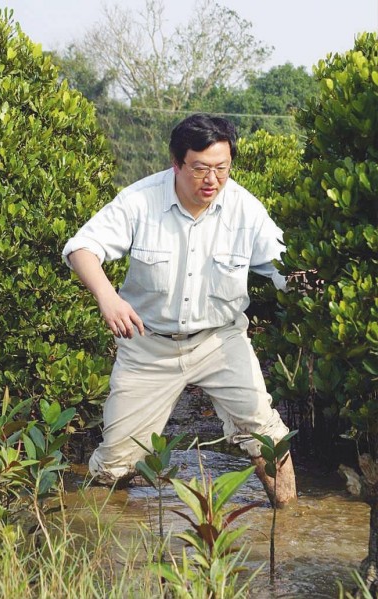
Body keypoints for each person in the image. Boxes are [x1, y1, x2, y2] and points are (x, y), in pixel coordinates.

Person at [62, 113, 297, 507]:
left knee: (269, 439)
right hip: (148, 344)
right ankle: (110, 535)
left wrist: (315, 280)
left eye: (222, 168)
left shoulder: (245, 208)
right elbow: (81, 248)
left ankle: (288, 522)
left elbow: (285, 268)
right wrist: (108, 297)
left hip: (220, 341)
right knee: (115, 464)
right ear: (176, 162)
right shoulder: (140, 200)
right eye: (201, 168)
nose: (212, 180)